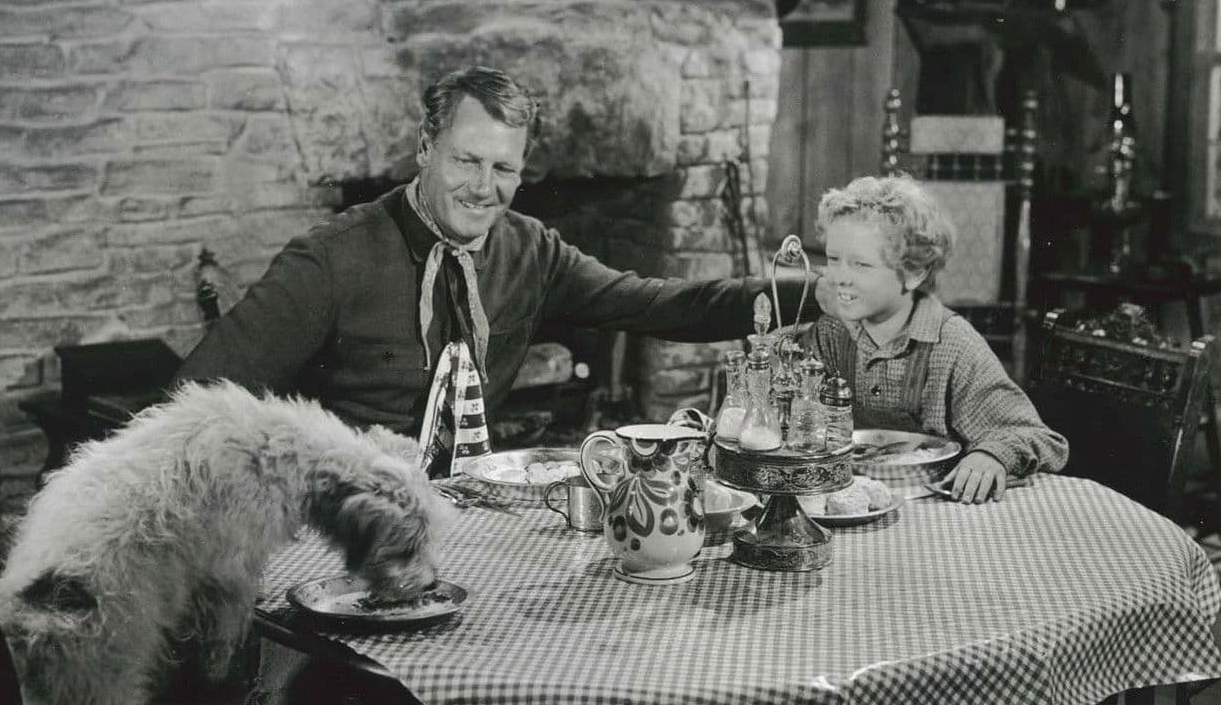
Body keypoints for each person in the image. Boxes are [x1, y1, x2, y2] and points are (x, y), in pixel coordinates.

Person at [176, 65, 822, 476]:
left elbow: (661, 304)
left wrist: (816, 294)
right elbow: (194, 400)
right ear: (425, 149)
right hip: (339, 511)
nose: (484, 188)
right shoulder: (330, 258)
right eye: (466, 161)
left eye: (503, 168)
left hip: (471, 504)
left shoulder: (529, 250)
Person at [800, 174, 1067, 504]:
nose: (840, 277)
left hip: (941, 508)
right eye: (833, 259)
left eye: (861, 265)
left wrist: (991, 455)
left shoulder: (952, 345)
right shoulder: (831, 332)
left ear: (914, 273)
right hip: (854, 502)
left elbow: (1036, 436)